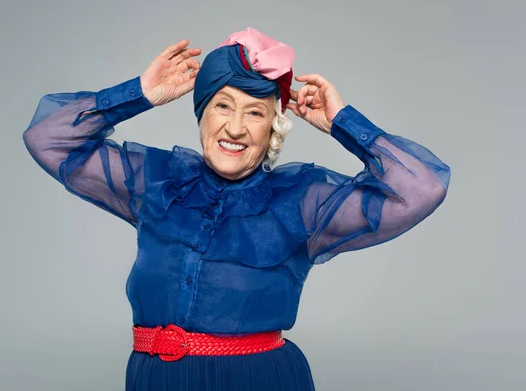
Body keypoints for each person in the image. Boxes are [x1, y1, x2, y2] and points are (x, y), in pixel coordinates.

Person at [22, 27, 451, 390]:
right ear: (202, 113)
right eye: (222, 105)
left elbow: (421, 187)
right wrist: (139, 94)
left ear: (273, 127)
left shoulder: (302, 201)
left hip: (258, 378)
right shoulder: (157, 182)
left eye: (256, 113)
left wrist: (342, 121)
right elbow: (47, 138)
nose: (235, 127)